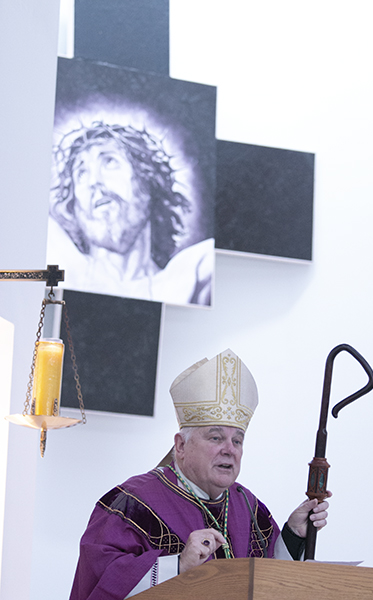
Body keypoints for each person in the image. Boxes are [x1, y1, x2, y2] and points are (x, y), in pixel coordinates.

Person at [69, 349, 331, 600]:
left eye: (237, 441)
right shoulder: (131, 503)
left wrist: (294, 535)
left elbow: (268, 582)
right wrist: (179, 565)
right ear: (181, 446)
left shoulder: (248, 506)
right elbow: (99, 582)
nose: (229, 450)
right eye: (216, 437)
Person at [47, 121, 213, 306]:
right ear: (75, 207)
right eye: (81, 173)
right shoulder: (61, 267)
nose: (93, 181)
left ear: (148, 181)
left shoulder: (189, 274)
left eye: (109, 161)